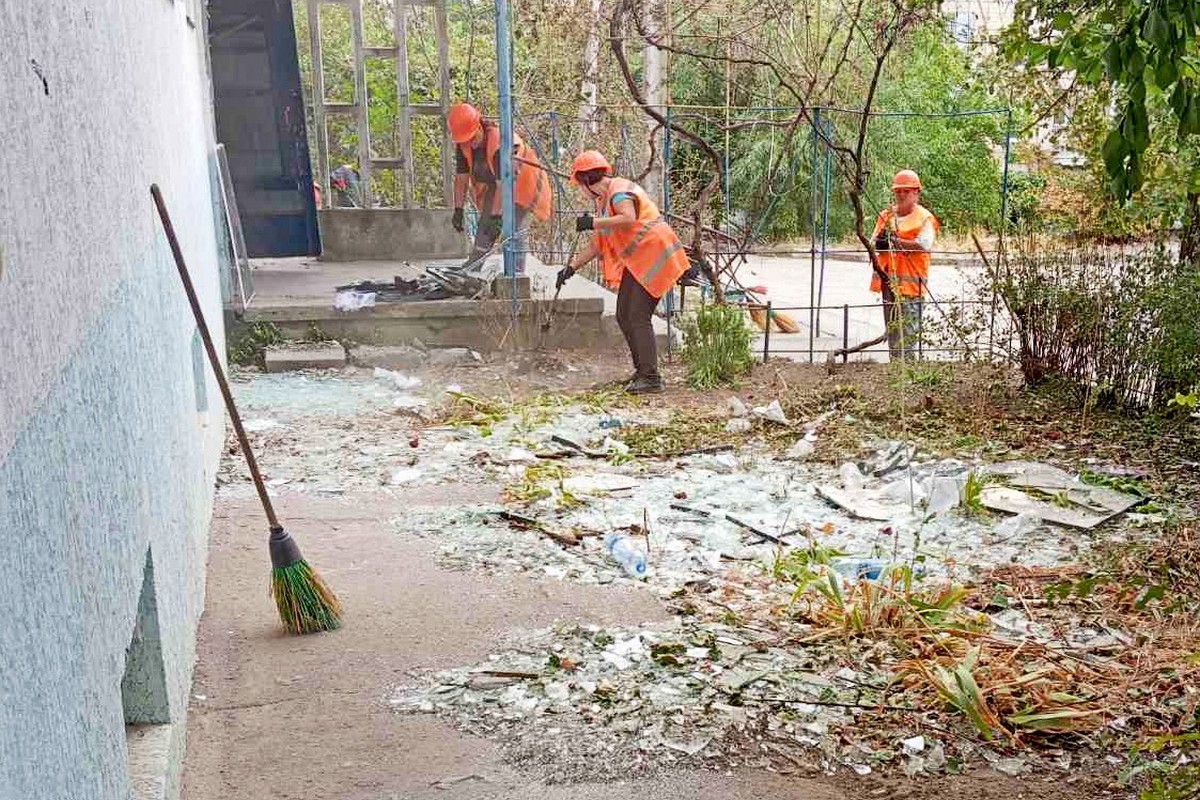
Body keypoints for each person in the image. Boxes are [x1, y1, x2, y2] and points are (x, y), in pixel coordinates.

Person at [556, 150, 690, 394]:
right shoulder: (604, 202)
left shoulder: (618, 191)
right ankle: (642, 372)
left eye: (579, 185)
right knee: (623, 314)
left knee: (637, 316)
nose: (581, 191)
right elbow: (597, 244)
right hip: (641, 260)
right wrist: (571, 268)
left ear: (587, 181)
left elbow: (627, 218)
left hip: (654, 254)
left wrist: (592, 223)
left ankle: (650, 377)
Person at [448, 102, 552, 273]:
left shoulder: (498, 143)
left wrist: (496, 217)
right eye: (465, 140)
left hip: (524, 183)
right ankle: (473, 266)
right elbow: (461, 180)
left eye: (472, 138)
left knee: (514, 228)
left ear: (479, 127)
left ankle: (516, 276)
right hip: (498, 185)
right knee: (485, 224)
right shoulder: (463, 144)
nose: (470, 143)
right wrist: (458, 210)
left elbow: (504, 185)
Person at [870, 169, 938, 361]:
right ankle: (896, 367)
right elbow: (875, 240)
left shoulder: (924, 218)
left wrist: (895, 241)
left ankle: (907, 369)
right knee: (892, 330)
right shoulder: (886, 216)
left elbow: (923, 244)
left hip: (911, 286)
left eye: (906, 191)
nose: (901, 195)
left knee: (907, 332)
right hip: (888, 284)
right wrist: (885, 241)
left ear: (916, 192)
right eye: (898, 191)